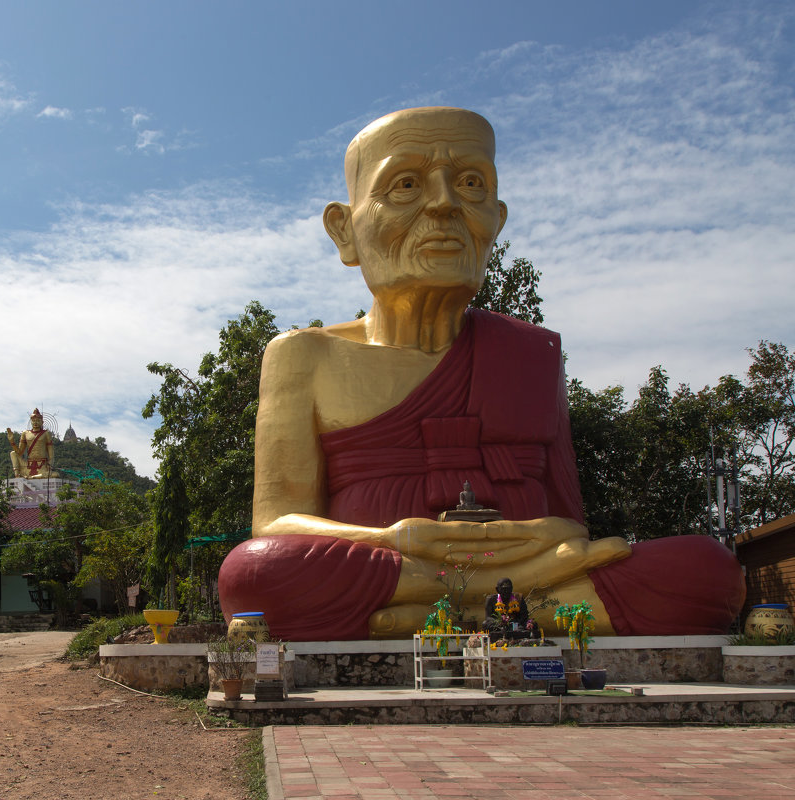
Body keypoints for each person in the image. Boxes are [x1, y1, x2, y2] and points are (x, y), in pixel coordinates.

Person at [218, 107, 744, 641]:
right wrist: (396, 540)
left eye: (472, 183)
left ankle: (448, 615)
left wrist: (537, 539)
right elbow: (278, 524)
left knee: (709, 567)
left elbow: (570, 527)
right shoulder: (304, 355)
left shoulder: (531, 353)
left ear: (496, 218)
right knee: (254, 572)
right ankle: (512, 610)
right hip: (414, 569)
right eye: (404, 184)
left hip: (498, 575)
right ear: (344, 231)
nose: (445, 203)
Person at [7, 409, 60, 479]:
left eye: (38, 421)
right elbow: (19, 452)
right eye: (33, 421)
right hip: (28, 465)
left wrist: (50, 465)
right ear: (31, 422)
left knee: (56, 474)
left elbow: (51, 454)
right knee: (13, 453)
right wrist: (12, 442)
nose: (35, 422)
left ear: (42, 422)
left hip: (42, 466)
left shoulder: (46, 433)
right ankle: (17, 476)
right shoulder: (25, 433)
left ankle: (32, 477)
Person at [482, 577, 537, 641]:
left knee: (533, 624)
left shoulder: (518, 598)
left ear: (512, 588)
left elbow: (524, 615)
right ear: (497, 589)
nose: (506, 592)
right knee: (485, 624)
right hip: (499, 626)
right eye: (503, 589)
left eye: (509, 589)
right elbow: (488, 617)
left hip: (515, 624)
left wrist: (515, 622)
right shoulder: (491, 599)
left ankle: (515, 632)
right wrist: (499, 622)